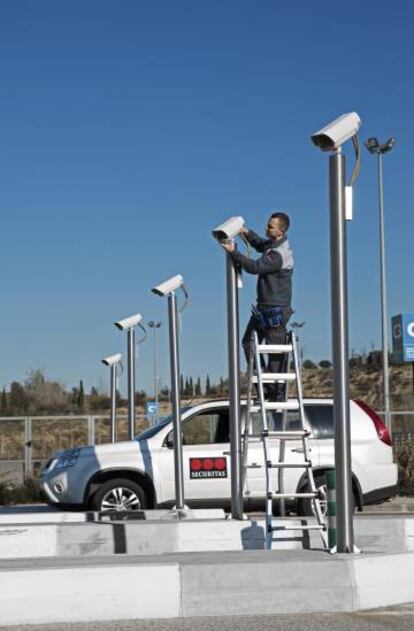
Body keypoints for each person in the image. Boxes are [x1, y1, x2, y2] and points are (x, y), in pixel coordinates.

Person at [221, 212, 293, 401]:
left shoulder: (278, 254)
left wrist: (233, 252)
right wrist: (244, 232)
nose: (266, 228)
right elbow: (260, 243)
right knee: (248, 343)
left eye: (270, 226)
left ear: (281, 231)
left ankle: (274, 395)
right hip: (263, 309)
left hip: (275, 310)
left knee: (275, 355)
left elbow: (254, 267)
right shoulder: (272, 245)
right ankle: (263, 386)